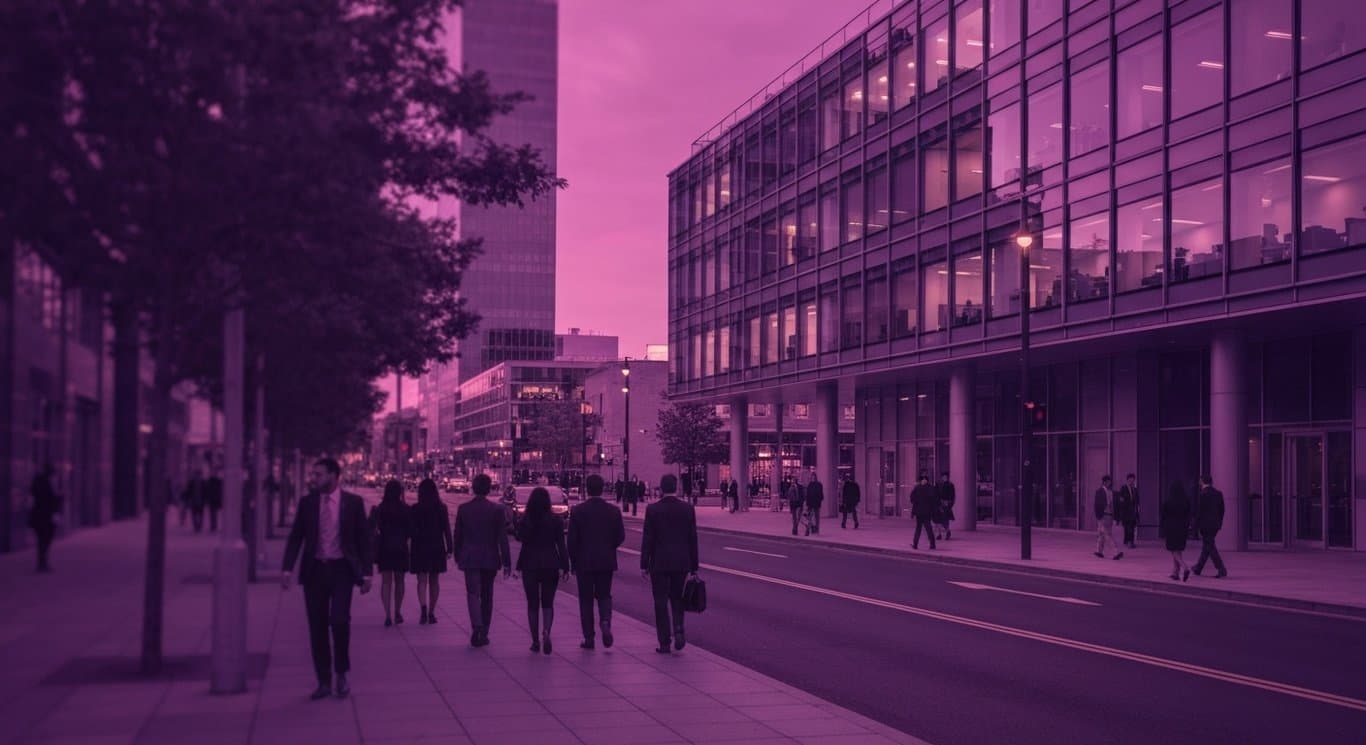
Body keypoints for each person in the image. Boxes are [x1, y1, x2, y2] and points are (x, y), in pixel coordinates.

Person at [281, 458, 373, 700]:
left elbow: (363, 539)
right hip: (315, 572)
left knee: (340, 620)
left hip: (342, 570)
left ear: (334, 475)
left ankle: (341, 672)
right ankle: (323, 680)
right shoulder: (308, 503)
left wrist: (367, 573)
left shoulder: (353, 503)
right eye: (314, 474)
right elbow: (296, 537)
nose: (314, 478)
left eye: (319, 474)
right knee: (317, 626)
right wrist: (287, 569)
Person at [640, 474, 699, 654]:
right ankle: (679, 629)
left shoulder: (653, 510)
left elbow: (648, 538)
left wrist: (644, 563)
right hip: (681, 562)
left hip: (659, 561)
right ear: (676, 487)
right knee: (677, 598)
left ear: (661, 489)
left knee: (660, 601)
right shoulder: (688, 509)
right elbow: (692, 539)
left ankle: (664, 641)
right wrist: (694, 566)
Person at [454, 473, 512, 647]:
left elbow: (458, 535)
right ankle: (484, 630)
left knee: (472, 593)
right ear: (488, 489)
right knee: (487, 595)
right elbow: (502, 538)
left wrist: (457, 554)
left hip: (470, 557)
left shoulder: (464, 509)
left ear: (473, 488)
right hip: (490, 557)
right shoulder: (497, 510)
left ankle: (476, 626)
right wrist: (507, 562)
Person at [568, 474, 624, 650]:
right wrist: (609, 547)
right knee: (604, 595)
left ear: (587, 489)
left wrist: (573, 562)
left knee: (585, 600)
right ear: (602, 490)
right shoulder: (613, 511)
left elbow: (571, 540)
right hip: (606, 560)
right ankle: (605, 621)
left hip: (584, 560)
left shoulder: (577, 511)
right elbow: (620, 537)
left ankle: (589, 637)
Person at [515, 487, 569, 654]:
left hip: (529, 563)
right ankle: (546, 631)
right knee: (548, 602)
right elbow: (561, 544)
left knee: (532, 604)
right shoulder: (555, 521)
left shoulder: (526, 520)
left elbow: (520, 538)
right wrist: (565, 566)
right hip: (550, 563)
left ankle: (535, 641)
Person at [410, 477, 453, 625]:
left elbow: (411, 531)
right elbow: (446, 529)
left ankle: (423, 607)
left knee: (421, 580)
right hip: (436, 546)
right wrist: (450, 548)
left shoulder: (415, 509)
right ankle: (432, 612)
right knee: (434, 580)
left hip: (420, 546)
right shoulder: (442, 508)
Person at [369, 479, 411, 627]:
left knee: (386, 582)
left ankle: (387, 614)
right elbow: (410, 531)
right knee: (399, 582)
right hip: (401, 548)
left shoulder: (380, 508)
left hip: (385, 548)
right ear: (400, 492)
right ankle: (397, 611)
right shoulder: (406, 509)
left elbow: (371, 527)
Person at [1192, 475, 1228, 578]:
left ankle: (1221, 568)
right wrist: (1219, 522)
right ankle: (1198, 568)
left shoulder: (1203, 495)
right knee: (1207, 545)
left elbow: (1200, 512)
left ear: (1202, 481)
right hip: (1215, 525)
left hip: (1205, 525)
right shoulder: (1218, 494)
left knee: (1210, 546)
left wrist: (1195, 525)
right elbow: (1222, 510)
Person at [28, 463, 62, 573]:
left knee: (41, 538)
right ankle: (42, 562)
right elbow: (55, 499)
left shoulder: (37, 480)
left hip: (38, 514)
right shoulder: (52, 482)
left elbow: (32, 496)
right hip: (47, 515)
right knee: (46, 538)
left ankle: (42, 562)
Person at [1161, 481, 1193, 582]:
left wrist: (1163, 528)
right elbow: (1189, 514)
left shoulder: (1168, 501)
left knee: (1172, 550)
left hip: (1171, 528)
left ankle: (1185, 567)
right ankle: (1175, 572)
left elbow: (1164, 516)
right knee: (1178, 549)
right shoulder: (1186, 501)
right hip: (1182, 528)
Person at [1093, 475, 1124, 560]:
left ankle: (1099, 551)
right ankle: (1115, 552)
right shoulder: (1099, 491)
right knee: (1107, 534)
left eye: (1110, 481)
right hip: (1103, 515)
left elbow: (1115, 504)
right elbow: (1096, 505)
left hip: (1109, 516)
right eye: (1108, 481)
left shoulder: (1111, 492)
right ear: (1104, 482)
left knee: (1102, 534)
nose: (1109, 483)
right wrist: (1098, 516)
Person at [910, 472, 937, 550]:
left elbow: (912, 499)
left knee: (918, 528)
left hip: (919, 512)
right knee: (928, 528)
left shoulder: (917, 488)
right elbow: (934, 500)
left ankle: (915, 544)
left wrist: (913, 512)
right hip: (927, 512)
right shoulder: (931, 488)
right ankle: (932, 544)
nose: (924, 481)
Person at [1117, 473, 1140, 548]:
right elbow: (1121, 500)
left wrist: (1138, 510)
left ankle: (1131, 541)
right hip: (1126, 512)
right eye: (1130, 480)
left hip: (1133, 512)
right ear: (1127, 480)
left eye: (1133, 480)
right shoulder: (1123, 488)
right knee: (1127, 527)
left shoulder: (1135, 489)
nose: (1132, 482)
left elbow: (1137, 500)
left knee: (1132, 527)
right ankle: (1128, 541)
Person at [934, 471, 955, 540]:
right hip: (939, 503)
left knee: (945, 519)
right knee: (937, 520)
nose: (944, 478)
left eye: (946, 477)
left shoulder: (950, 485)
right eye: (943, 477)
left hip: (946, 503)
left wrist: (950, 504)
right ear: (942, 477)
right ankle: (940, 534)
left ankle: (947, 531)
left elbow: (952, 496)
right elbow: (936, 494)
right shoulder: (938, 484)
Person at [804, 471, 824, 535]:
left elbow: (821, 494)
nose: (812, 478)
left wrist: (819, 500)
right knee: (810, 517)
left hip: (816, 503)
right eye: (812, 477)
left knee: (816, 516)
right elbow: (808, 495)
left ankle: (816, 529)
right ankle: (810, 529)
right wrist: (807, 503)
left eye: (813, 476)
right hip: (811, 503)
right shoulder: (810, 485)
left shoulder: (818, 484)